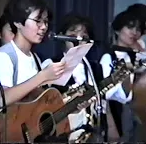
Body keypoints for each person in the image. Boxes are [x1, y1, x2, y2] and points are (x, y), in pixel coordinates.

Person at [40, 13, 109, 142]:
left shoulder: (95, 68)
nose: (77, 40)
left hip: (92, 132)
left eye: (83, 37)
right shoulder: (51, 64)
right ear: (61, 36)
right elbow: (44, 105)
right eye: (72, 36)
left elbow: (103, 104)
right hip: (62, 133)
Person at [100, 11, 146, 142]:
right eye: (130, 27)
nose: (134, 32)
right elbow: (105, 93)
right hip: (117, 112)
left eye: (138, 29)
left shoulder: (136, 56)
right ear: (117, 30)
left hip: (137, 112)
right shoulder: (108, 57)